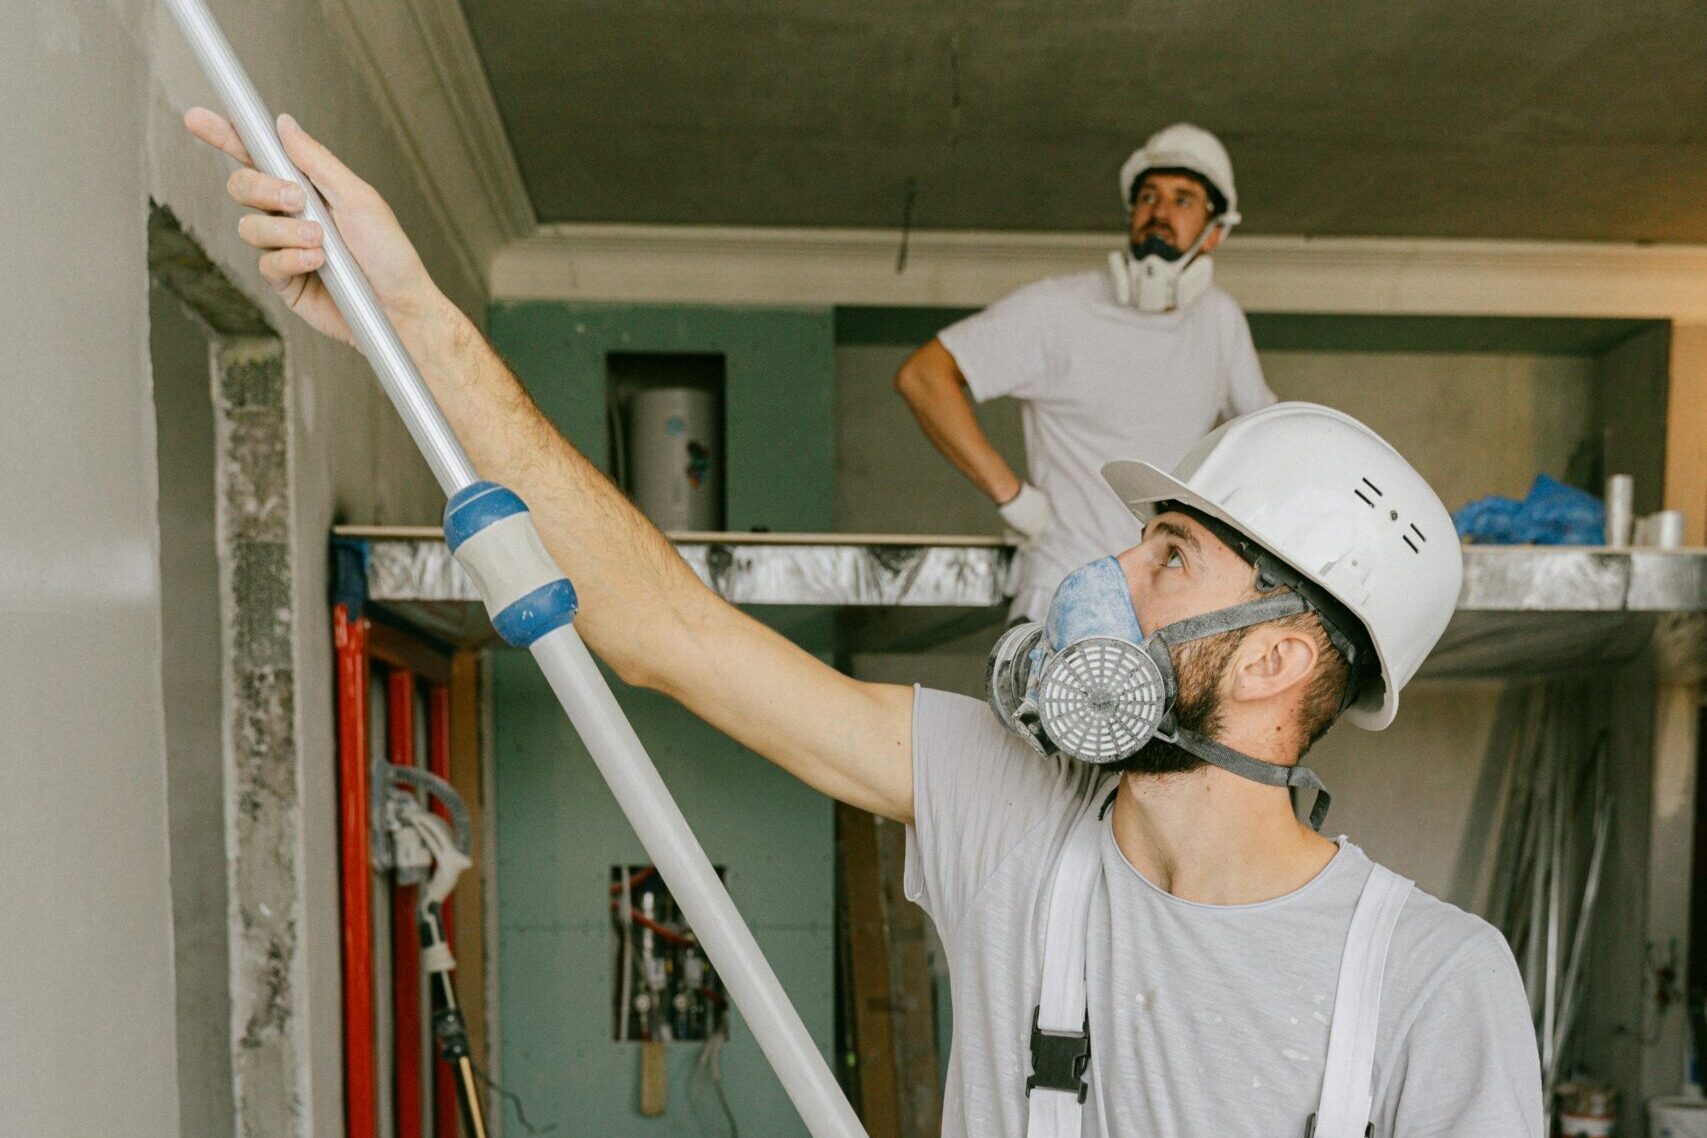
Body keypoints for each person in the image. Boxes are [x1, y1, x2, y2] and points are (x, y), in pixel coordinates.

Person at [186, 108, 1543, 1137]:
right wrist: (414, 319)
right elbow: (672, 629)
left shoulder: (1428, 979)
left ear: (1273, 655)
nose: (1110, 571)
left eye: (1167, 554)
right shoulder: (1002, 806)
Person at [896, 123, 1276, 624]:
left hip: (1164, 610)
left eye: (1183, 200)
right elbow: (924, 376)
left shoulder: (1219, 320)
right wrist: (1012, 497)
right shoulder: (1057, 310)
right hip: (1062, 589)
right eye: (1147, 197)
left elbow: (1268, 438)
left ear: (1215, 233)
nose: (1159, 213)